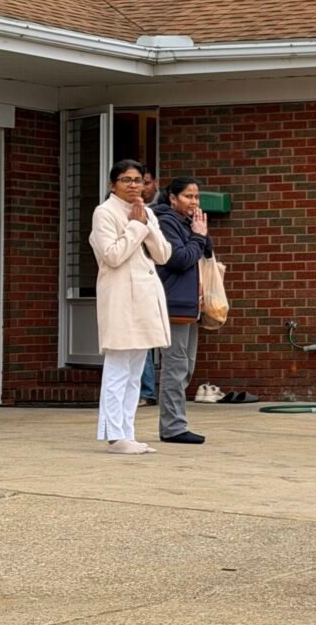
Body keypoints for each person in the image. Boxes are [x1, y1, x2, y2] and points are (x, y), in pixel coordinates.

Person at [89, 160, 172, 455]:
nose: (134, 185)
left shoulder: (147, 212)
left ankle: (128, 432)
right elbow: (112, 256)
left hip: (145, 298)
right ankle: (114, 435)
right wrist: (136, 226)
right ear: (113, 185)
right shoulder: (104, 212)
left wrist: (145, 224)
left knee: (135, 370)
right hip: (121, 298)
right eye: (126, 179)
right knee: (117, 369)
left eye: (139, 180)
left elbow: (163, 255)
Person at [153, 176, 212, 444]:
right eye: (188, 196)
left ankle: (175, 422)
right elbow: (179, 259)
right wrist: (197, 236)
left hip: (191, 304)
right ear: (172, 198)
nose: (193, 202)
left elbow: (205, 253)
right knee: (175, 367)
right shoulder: (165, 221)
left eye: (196, 197)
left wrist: (200, 232)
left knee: (186, 367)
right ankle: (173, 427)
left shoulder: (186, 223)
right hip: (173, 303)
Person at [138, 166, 160, 408]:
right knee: (141, 338)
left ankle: (146, 390)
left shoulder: (158, 213)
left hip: (159, 280)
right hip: (140, 281)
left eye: (145, 181)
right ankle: (145, 390)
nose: (141, 187)